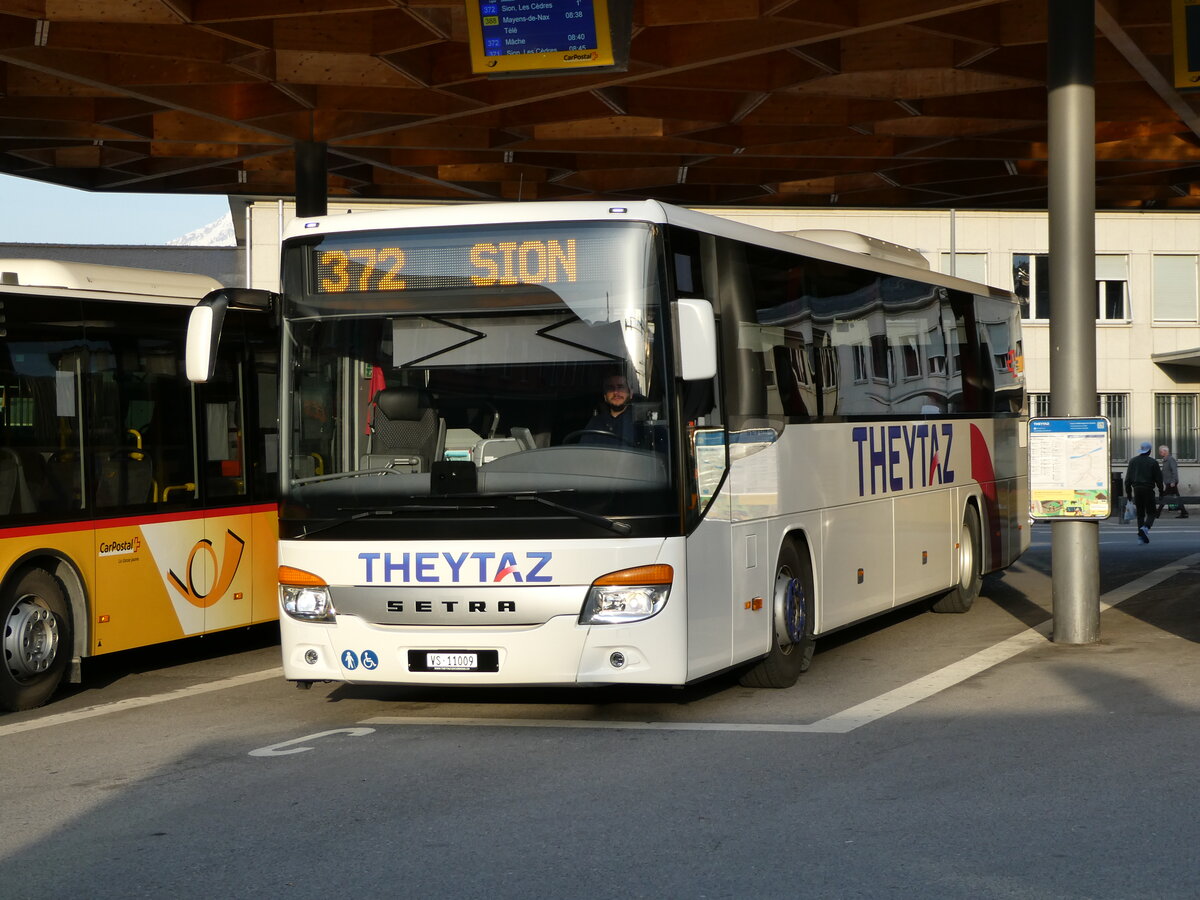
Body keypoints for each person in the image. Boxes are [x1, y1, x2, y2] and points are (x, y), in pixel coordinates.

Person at [581, 372, 640, 446]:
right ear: (605, 396)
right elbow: (585, 451)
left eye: (620, 387)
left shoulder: (639, 422)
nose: (616, 392)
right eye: (610, 388)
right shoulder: (595, 422)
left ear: (630, 394)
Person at [1126, 441, 1164, 543]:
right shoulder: (1153, 462)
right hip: (1148, 489)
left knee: (1140, 514)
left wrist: (1129, 493)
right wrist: (1161, 492)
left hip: (1137, 489)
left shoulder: (1133, 461)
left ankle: (1140, 538)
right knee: (1152, 512)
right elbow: (1159, 479)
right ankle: (1145, 528)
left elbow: (1127, 479)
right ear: (1150, 451)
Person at [1155, 445, 1188, 518]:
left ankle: (1157, 513)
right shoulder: (1165, 460)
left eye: (1161, 451)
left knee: (1164, 497)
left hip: (1171, 483)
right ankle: (1184, 512)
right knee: (1177, 497)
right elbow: (1165, 471)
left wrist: (1173, 481)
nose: (1160, 453)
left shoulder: (1170, 459)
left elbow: (1174, 471)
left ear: (1166, 451)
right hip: (1169, 482)